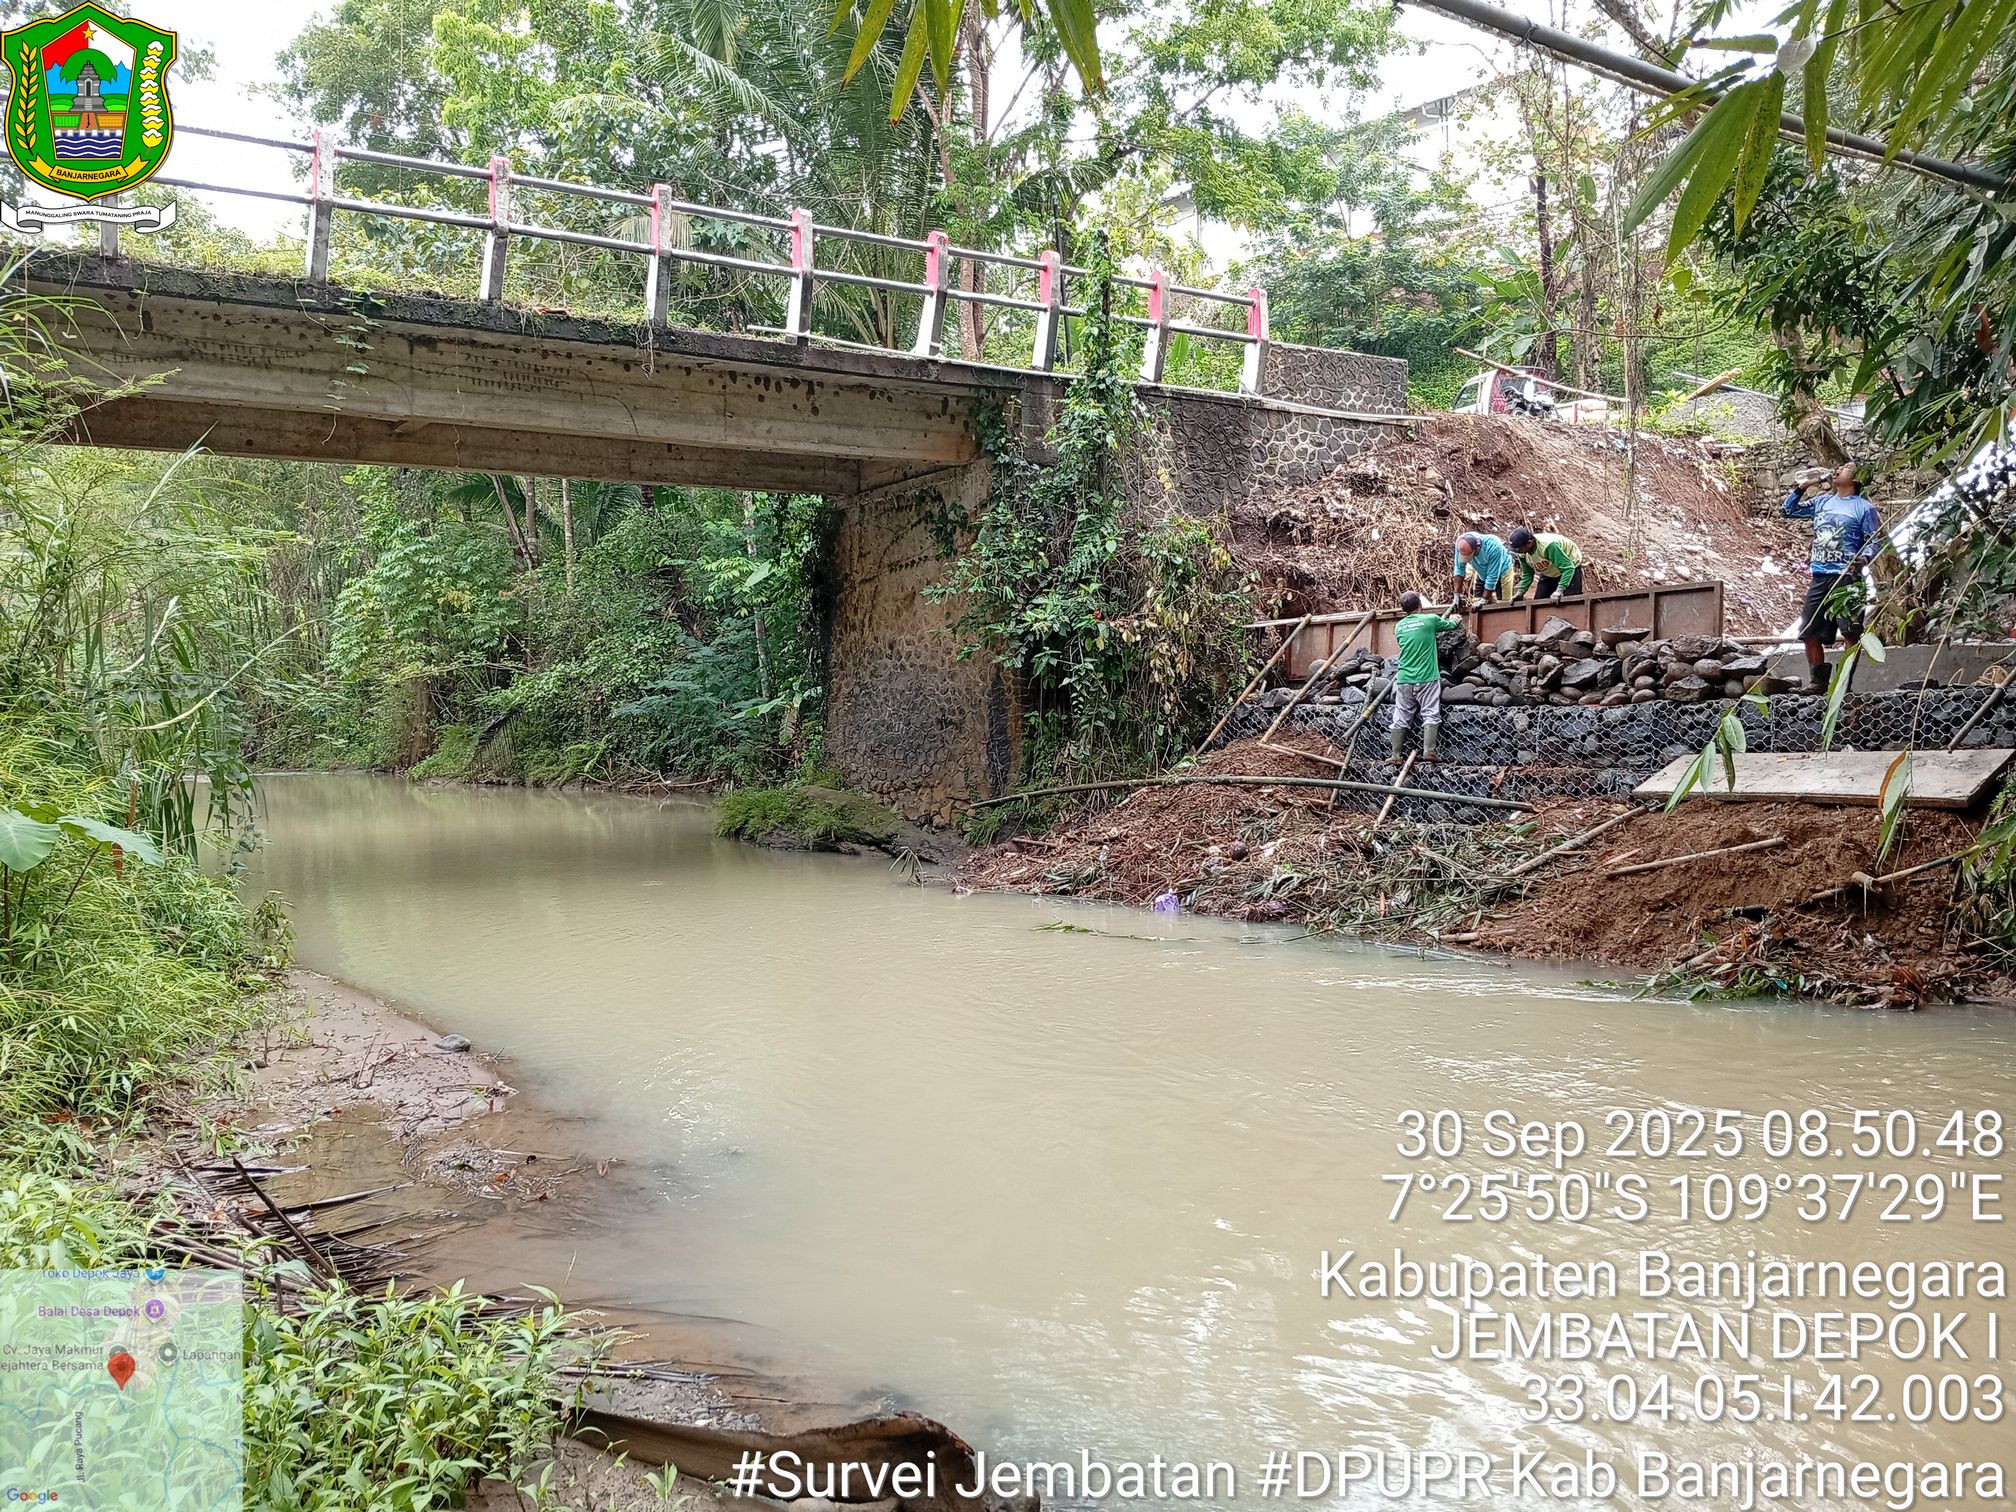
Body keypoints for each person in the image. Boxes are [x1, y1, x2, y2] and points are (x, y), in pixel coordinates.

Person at [1782, 462, 1882, 691]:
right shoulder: (1822, 502)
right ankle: (1817, 682)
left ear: (1857, 479)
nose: (1838, 469)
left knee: (1850, 632)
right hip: (1820, 576)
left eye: (1846, 467)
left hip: (1848, 579)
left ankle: (1843, 684)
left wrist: (1864, 559)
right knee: (1807, 631)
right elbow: (1787, 511)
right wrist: (1804, 486)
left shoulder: (1864, 508)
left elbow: (1874, 541)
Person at [1388, 590, 1463, 764]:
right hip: (1427, 677)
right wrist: (1456, 618)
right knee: (1430, 713)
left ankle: (1396, 756)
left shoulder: (1398, 626)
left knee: (1401, 716)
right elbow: (1450, 625)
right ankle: (1429, 752)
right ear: (1420, 605)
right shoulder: (1430, 620)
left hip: (1404, 678)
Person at [1508, 525, 1585, 600]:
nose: (1517, 552)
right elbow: (1528, 574)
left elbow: (1568, 567)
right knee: (1539, 602)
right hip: (1550, 569)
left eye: (1518, 549)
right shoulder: (1522, 554)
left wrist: (1559, 590)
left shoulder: (1547, 546)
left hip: (1570, 564)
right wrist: (1521, 592)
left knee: (1570, 601)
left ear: (1529, 543)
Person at [1450, 531, 1514, 605]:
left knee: (1503, 606)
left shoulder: (1494, 546)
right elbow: (1459, 569)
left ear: (1477, 548)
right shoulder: (1460, 543)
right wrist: (1456, 596)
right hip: (1482, 572)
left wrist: (1484, 600)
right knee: (1477, 603)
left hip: (1503, 572)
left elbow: (1492, 577)